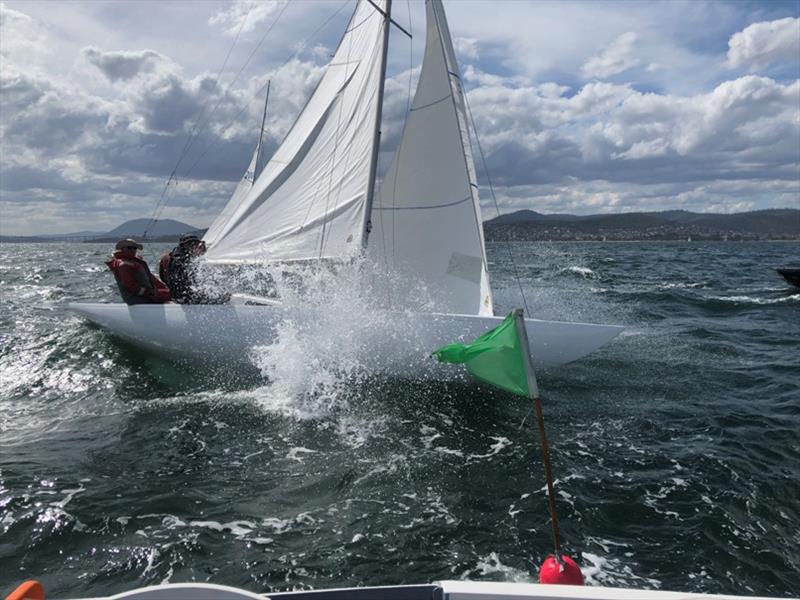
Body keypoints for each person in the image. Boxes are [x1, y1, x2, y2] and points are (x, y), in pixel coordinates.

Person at [162, 233, 229, 304]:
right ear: (183, 246)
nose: (194, 247)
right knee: (221, 299)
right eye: (190, 244)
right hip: (183, 297)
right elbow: (185, 283)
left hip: (179, 294)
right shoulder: (181, 260)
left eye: (195, 244)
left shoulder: (174, 256)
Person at [106, 239, 171, 305]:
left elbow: (151, 278)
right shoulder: (123, 265)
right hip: (137, 298)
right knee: (171, 296)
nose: (132, 250)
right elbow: (130, 285)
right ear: (122, 249)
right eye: (129, 248)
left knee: (171, 294)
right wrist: (148, 292)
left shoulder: (135, 262)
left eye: (134, 248)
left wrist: (164, 288)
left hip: (148, 294)